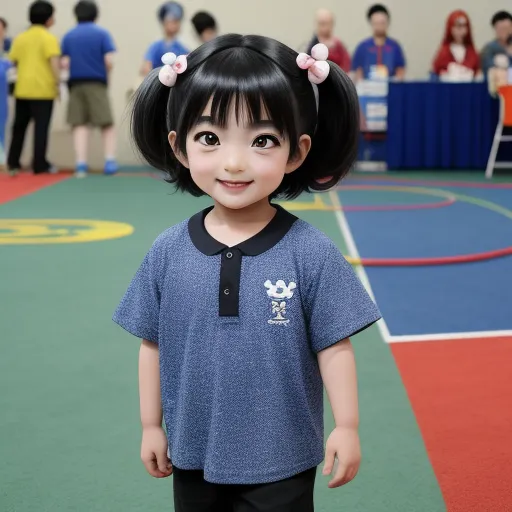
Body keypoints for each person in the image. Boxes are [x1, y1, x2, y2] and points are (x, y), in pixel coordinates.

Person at [113, 34, 381, 512]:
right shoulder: (167, 251)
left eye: (262, 141)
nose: (234, 162)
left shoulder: (311, 252)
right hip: (192, 451)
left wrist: (348, 424)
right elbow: (151, 343)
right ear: (179, 146)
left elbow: (334, 346)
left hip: (284, 457)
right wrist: (151, 425)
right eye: (210, 139)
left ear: (297, 152)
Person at [61, 0, 117, 177]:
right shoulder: (102, 34)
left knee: (79, 124)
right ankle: (109, 161)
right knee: (106, 123)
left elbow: (64, 63)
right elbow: (109, 61)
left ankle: (81, 164)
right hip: (96, 83)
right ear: (95, 14)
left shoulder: (68, 36)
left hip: (76, 84)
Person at [7, 0, 60, 176]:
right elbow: (54, 63)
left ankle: (13, 163)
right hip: (43, 91)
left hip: (22, 89)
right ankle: (39, 164)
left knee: (19, 127)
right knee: (41, 129)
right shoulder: (48, 38)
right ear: (48, 19)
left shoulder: (20, 38)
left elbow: (13, 61)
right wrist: (58, 84)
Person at [352, 4, 406, 81]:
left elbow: (400, 71)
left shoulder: (395, 47)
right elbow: (357, 72)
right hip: (367, 89)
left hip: (390, 88)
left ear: (387, 23)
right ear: (371, 24)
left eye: (382, 23)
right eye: (376, 23)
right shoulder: (362, 47)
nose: (379, 27)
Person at [141, 1, 188, 76]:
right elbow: (146, 67)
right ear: (164, 23)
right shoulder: (156, 46)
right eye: (171, 22)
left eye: (176, 22)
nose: (174, 25)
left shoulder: (182, 47)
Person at [432, 10, 480, 80]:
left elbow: (477, 73)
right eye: (457, 26)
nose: (461, 30)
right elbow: (437, 71)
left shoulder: (472, 52)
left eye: (464, 26)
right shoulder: (444, 52)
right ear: (450, 28)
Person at [481, 11, 512, 76]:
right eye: (501, 29)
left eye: (507, 28)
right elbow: (488, 69)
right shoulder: (489, 48)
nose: (504, 32)